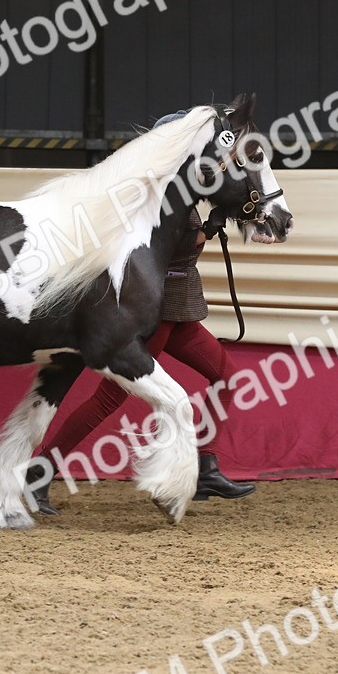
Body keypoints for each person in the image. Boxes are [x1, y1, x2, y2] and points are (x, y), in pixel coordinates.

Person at [28, 111, 253, 516]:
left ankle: (207, 465)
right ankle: (40, 471)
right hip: (158, 309)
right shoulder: (164, 188)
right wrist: (212, 227)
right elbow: (180, 248)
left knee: (226, 375)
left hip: (179, 308)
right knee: (108, 399)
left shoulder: (182, 183)